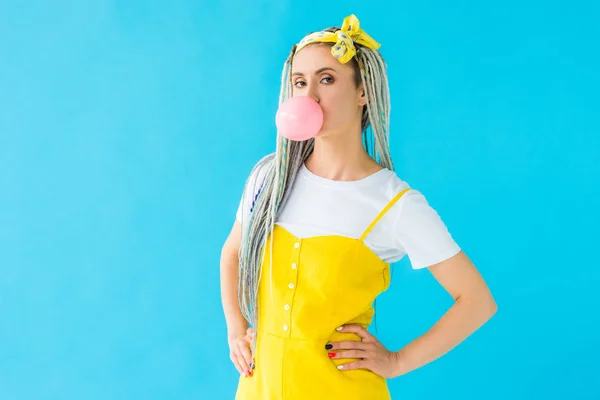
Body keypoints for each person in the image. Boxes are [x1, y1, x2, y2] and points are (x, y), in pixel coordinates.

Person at [220, 14, 497, 399]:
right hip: (259, 389)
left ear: (362, 91)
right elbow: (232, 251)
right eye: (300, 82)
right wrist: (237, 327)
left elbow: (477, 302)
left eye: (327, 79)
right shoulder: (270, 178)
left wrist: (397, 362)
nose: (309, 96)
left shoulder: (395, 203)